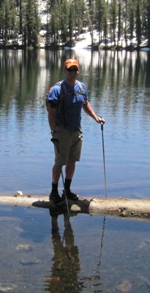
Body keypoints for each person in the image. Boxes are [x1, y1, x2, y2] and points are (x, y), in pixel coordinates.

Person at [46, 58, 105, 205]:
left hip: (76, 130)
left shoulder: (81, 87)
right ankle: (54, 193)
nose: (72, 72)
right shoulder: (57, 90)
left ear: (78, 71)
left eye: (74, 70)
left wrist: (96, 118)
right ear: (64, 71)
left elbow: (85, 104)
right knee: (60, 162)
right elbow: (51, 113)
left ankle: (67, 191)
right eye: (69, 70)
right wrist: (54, 132)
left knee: (72, 161)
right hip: (62, 131)